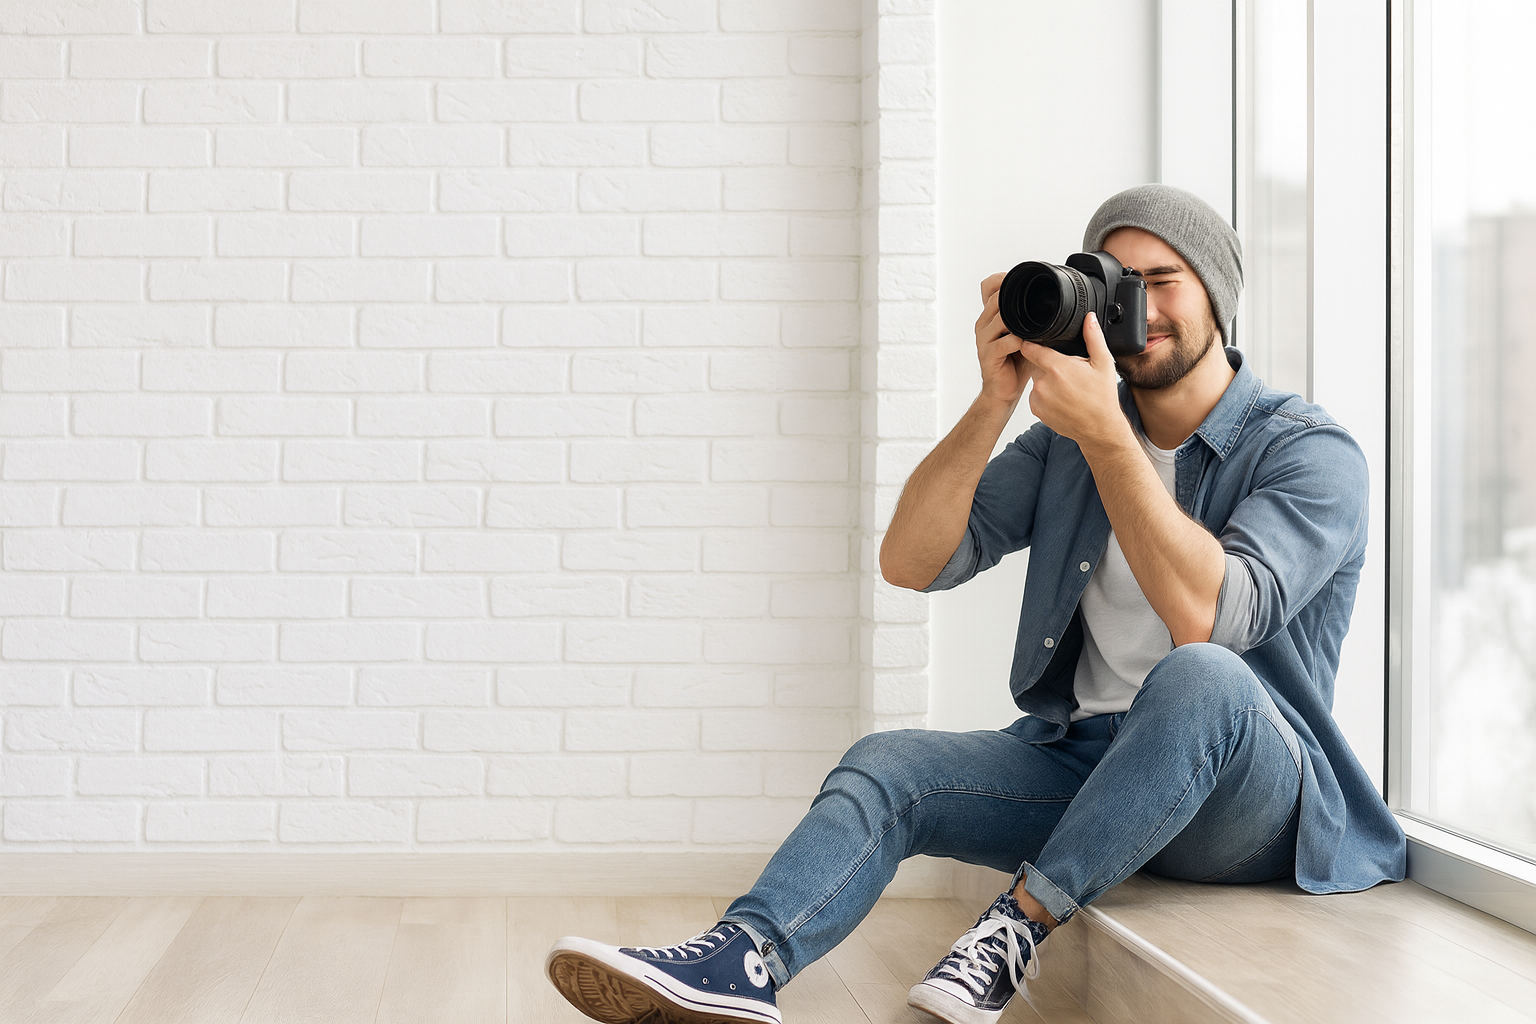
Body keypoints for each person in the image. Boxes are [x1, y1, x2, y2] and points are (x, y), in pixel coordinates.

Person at [543, 184, 1407, 1024]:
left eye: (1162, 280)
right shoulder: (1069, 442)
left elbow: (1209, 620)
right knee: (891, 761)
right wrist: (997, 398)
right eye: (1113, 284)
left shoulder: (1309, 451)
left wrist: (1108, 436)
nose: (1138, 306)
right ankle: (743, 959)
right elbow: (910, 560)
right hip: (1089, 764)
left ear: (1218, 298)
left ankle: (1015, 928)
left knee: (1200, 674)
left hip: (1248, 798)